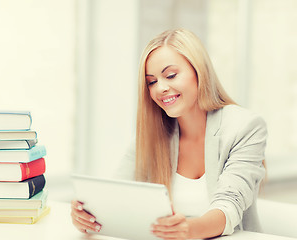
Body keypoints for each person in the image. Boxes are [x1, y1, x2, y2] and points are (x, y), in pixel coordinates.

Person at [70, 28, 267, 240]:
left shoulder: (245, 127)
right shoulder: (152, 134)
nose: (160, 88)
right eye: (151, 82)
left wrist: (188, 230)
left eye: (170, 75)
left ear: (199, 71)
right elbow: (117, 195)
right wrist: (88, 214)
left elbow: (230, 204)